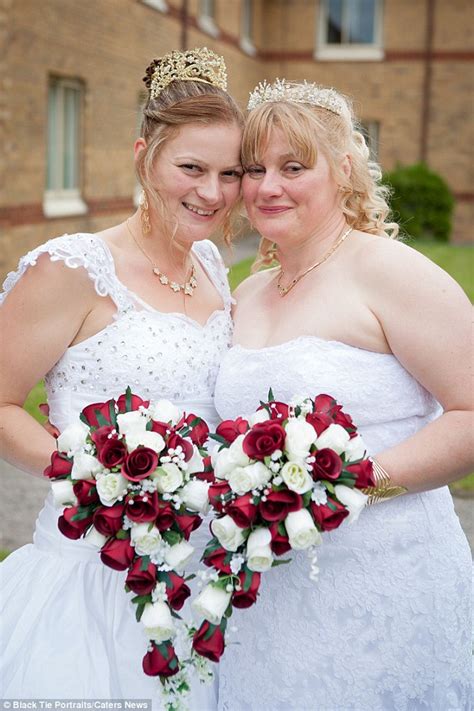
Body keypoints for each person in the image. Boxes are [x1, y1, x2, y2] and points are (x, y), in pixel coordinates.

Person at [214, 79, 472, 710]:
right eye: (254, 169)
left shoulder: (391, 272)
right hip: (267, 590)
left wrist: (344, 485)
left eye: (293, 167)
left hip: (384, 581)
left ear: (345, 170)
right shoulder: (247, 290)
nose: (267, 187)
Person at [0, 47, 243, 704]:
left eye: (230, 173)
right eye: (191, 167)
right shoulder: (71, 268)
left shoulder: (213, 267)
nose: (213, 193)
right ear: (144, 156)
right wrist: (95, 478)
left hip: (201, 576)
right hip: (92, 572)